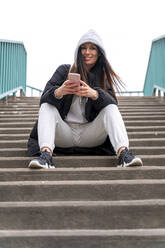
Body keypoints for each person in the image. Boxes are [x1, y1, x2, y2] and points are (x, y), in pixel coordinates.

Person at [27, 29, 143, 169]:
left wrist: (95, 94)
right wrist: (59, 92)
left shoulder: (102, 77)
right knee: (46, 106)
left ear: (99, 52)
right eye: (83, 48)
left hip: (91, 135)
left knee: (110, 108)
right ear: (78, 51)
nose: (87, 52)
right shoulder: (64, 70)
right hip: (64, 133)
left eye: (92, 48)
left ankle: (123, 154)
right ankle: (46, 156)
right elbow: (44, 98)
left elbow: (113, 103)